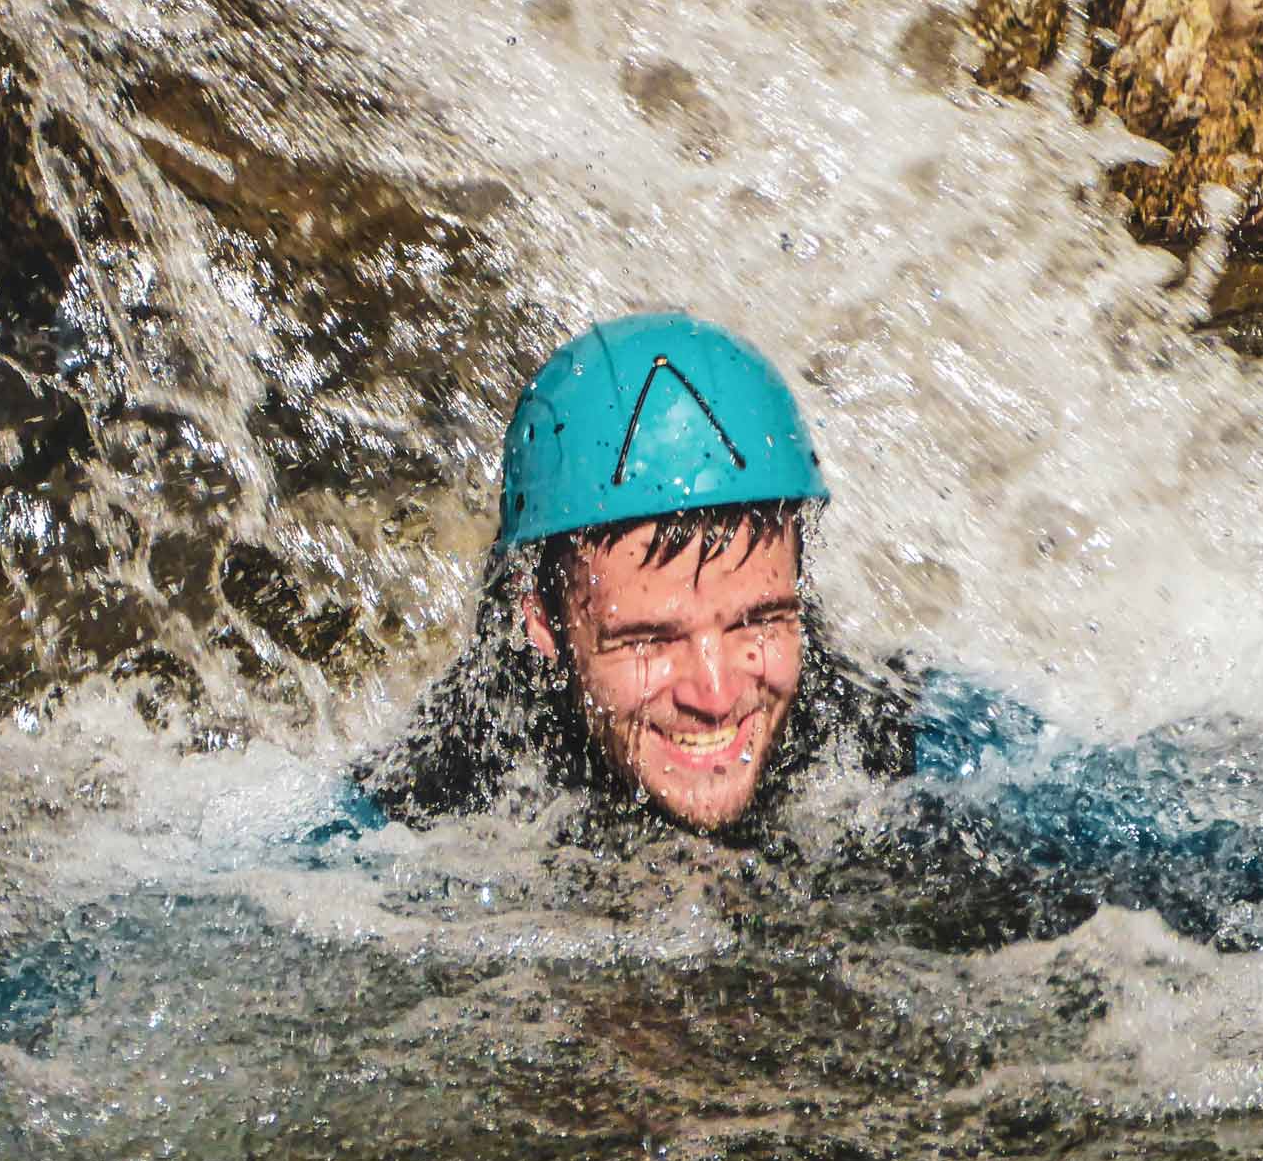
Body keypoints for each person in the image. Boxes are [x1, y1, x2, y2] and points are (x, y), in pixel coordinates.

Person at [360, 311, 914, 838]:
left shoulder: (893, 735)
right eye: (651, 640)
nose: (716, 696)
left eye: (757, 622)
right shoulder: (430, 803)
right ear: (543, 621)